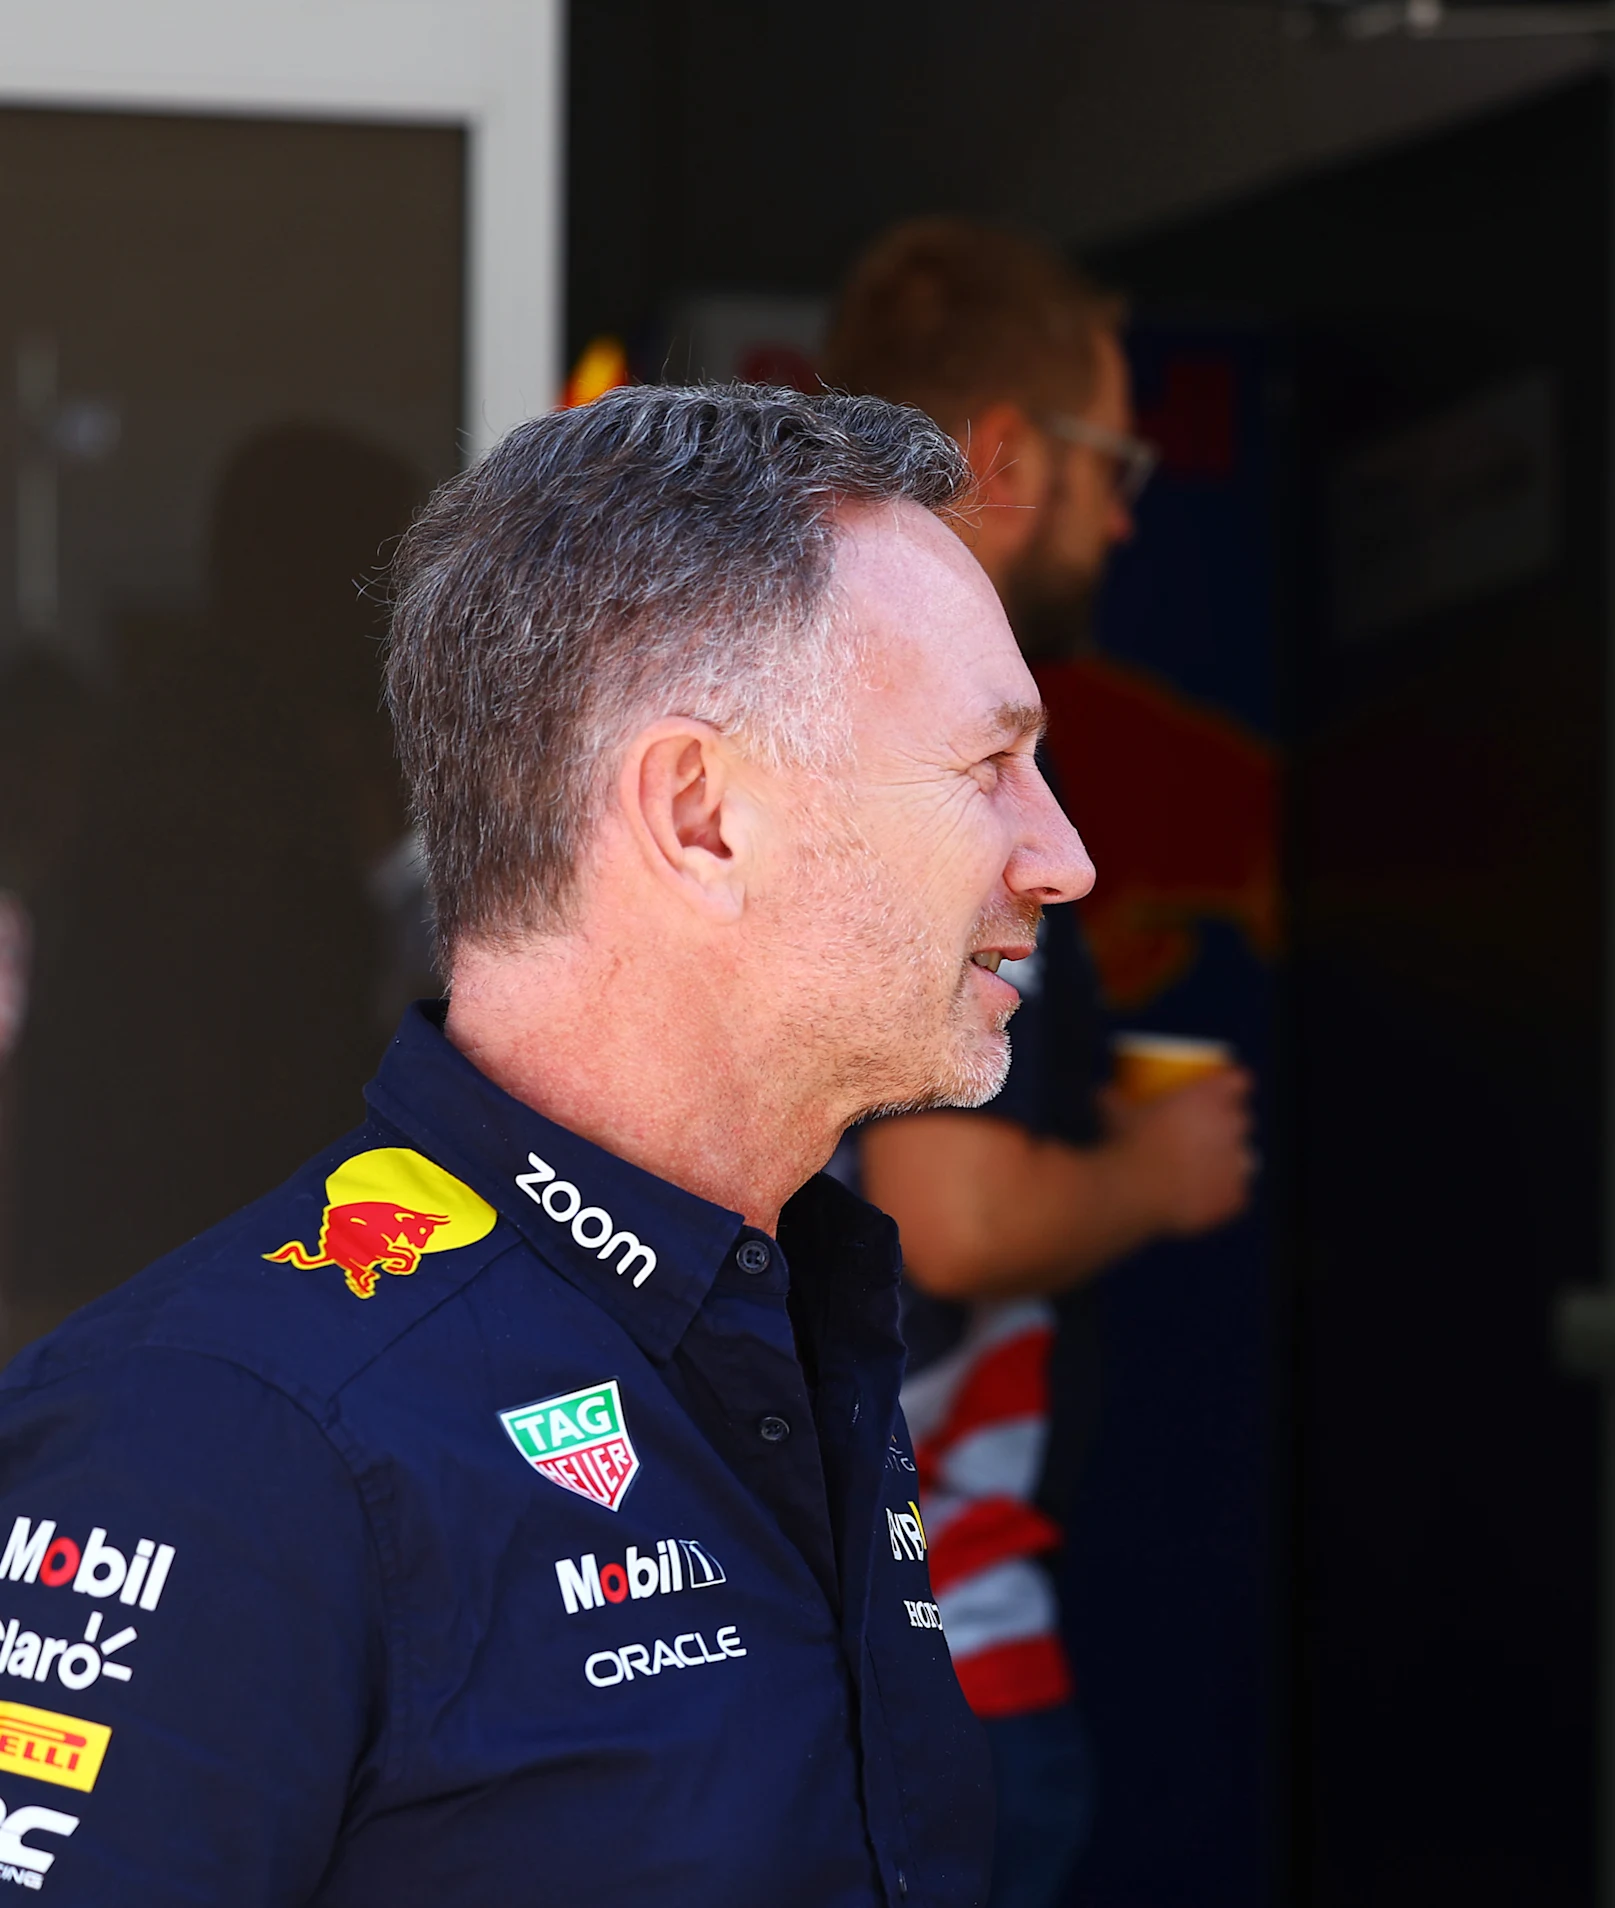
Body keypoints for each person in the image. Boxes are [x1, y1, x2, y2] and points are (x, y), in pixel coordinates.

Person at [0, 386, 1033, 1900]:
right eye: (987, 769)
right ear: (698, 815)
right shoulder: (224, 1439)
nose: (1060, 857)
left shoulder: (786, 1325)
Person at [821, 215, 1256, 1906]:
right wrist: (1155, 1178)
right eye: (1110, 458)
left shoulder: (785, 716)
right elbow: (947, 1217)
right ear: (1003, 454)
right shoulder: (938, 771)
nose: (1131, 508)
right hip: (938, 1656)